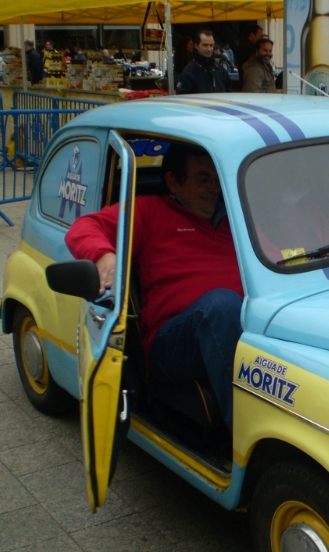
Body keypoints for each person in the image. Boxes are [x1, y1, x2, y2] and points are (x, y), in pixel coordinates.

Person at [65, 143, 242, 432]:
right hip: (170, 341)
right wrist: (104, 256)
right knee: (221, 307)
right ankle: (242, 436)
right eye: (203, 180)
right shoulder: (149, 211)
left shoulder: (235, 218)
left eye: (216, 179)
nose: (214, 189)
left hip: (242, 322)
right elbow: (83, 227)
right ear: (173, 181)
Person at [176, 30, 231, 94]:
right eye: (205, 45)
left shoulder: (220, 69)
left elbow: (228, 91)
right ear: (196, 46)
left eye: (211, 45)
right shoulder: (190, 71)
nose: (209, 49)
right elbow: (182, 94)